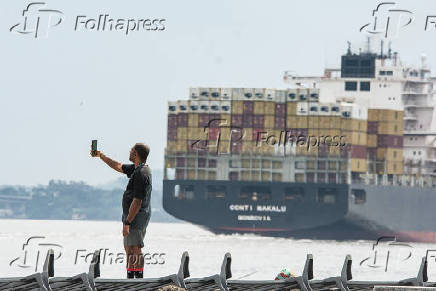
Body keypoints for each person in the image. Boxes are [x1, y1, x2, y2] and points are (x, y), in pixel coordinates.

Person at [91, 143, 152, 279]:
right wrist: (101, 156)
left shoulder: (142, 173)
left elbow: (137, 201)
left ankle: (136, 280)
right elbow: (118, 166)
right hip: (132, 216)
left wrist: (128, 222)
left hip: (136, 216)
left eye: (131, 150)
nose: (129, 152)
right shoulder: (137, 169)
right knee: (129, 248)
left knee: (135, 248)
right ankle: (132, 278)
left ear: (136, 154)